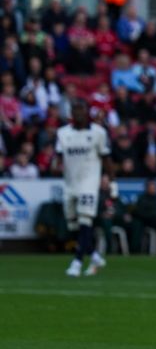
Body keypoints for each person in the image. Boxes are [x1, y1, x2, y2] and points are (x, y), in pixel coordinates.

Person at [55, 99, 112, 276]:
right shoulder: (63, 133)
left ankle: (77, 262)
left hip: (89, 184)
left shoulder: (98, 133)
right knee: (73, 226)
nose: (78, 113)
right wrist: (55, 165)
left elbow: (106, 159)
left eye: (81, 109)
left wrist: (110, 181)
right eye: (75, 109)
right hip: (70, 184)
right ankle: (94, 254)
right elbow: (58, 157)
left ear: (87, 111)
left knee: (85, 221)